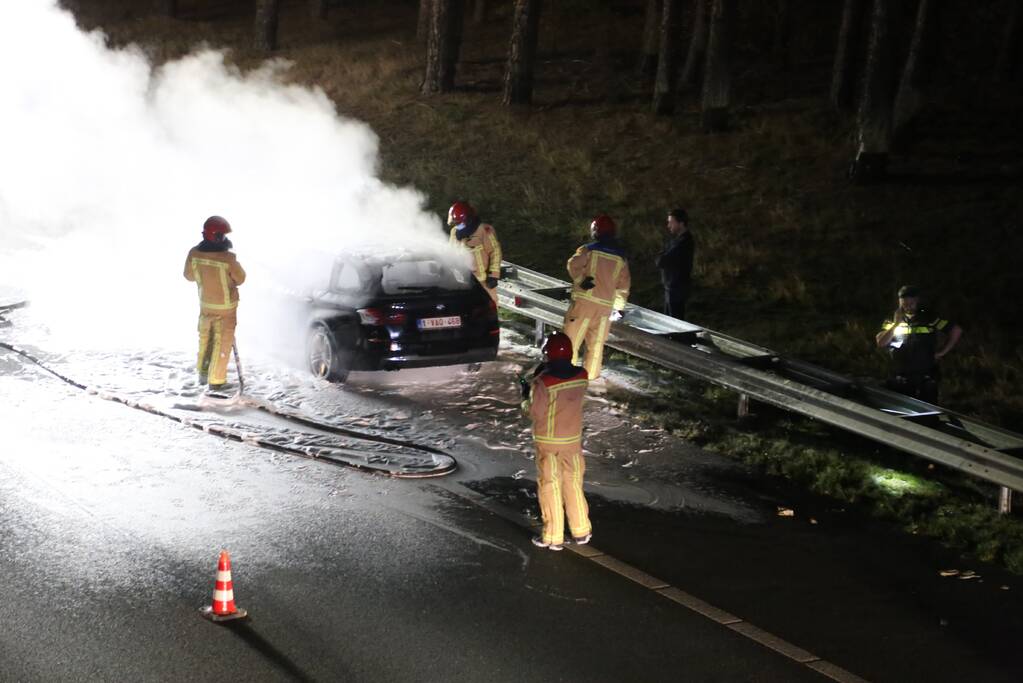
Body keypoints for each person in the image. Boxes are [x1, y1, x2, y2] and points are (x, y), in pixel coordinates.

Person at [520, 332, 591, 551]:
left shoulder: (544, 381)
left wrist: (525, 395)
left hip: (548, 442)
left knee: (550, 486)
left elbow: (535, 412)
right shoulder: (582, 375)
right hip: (573, 441)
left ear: (548, 353)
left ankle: (553, 537)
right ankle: (581, 531)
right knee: (573, 484)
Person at [562, 214, 631, 384]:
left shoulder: (588, 250)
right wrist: (619, 308)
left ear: (595, 231)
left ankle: (566, 377)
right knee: (596, 347)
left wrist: (580, 280)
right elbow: (623, 287)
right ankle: (590, 380)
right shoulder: (621, 259)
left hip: (583, 304)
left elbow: (573, 264)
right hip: (605, 310)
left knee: (571, 342)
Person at [183, 216, 246, 392]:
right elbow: (240, 279)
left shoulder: (194, 254)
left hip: (205, 305)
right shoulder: (228, 259)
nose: (225, 238)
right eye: (222, 235)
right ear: (215, 236)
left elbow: (188, 276)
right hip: (226, 309)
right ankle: (216, 382)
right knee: (222, 343)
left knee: (206, 339)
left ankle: (203, 374)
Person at [875, 285, 962, 404]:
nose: (908, 307)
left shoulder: (928, 317)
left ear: (917, 301)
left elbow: (956, 331)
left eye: (911, 304)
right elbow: (881, 342)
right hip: (901, 376)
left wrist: (942, 352)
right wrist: (896, 324)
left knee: (926, 415)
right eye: (904, 304)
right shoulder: (893, 319)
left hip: (925, 377)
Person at [448, 201, 502, 304]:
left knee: (488, 311)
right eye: (456, 222)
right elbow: (451, 254)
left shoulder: (484, 230)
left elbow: (495, 252)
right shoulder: (454, 232)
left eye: (459, 222)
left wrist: (493, 275)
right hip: (462, 283)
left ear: (467, 219)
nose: (457, 225)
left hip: (483, 283)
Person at [656, 208, 695, 320]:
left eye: (671, 222)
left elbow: (662, 260)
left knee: (674, 323)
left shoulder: (684, 243)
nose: (668, 225)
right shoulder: (676, 241)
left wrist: (661, 258)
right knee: (669, 322)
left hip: (676, 289)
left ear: (681, 223)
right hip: (672, 288)